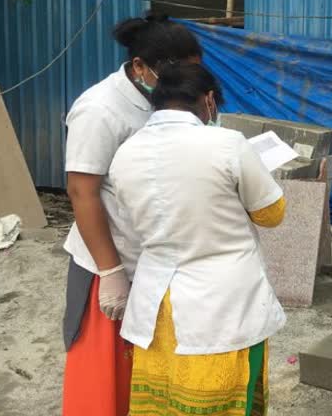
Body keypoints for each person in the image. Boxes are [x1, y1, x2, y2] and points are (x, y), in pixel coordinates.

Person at [109, 62, 286, 416]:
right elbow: (272, 215)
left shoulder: (125, 153)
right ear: (209, 101)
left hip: (157, 304)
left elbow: (130, 223)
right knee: (225, 399)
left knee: (165, 401)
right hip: (223, 305)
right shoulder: (227, 144)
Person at [61, 12, 203, 416]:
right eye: (175, 74)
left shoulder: (168, 98)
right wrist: (110, 273)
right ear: (140, 67)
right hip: (111, 259)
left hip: (156, 256)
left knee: (149, 371)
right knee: (106, 379)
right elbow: (82, 191)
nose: (186, 85)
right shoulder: (100, 110)